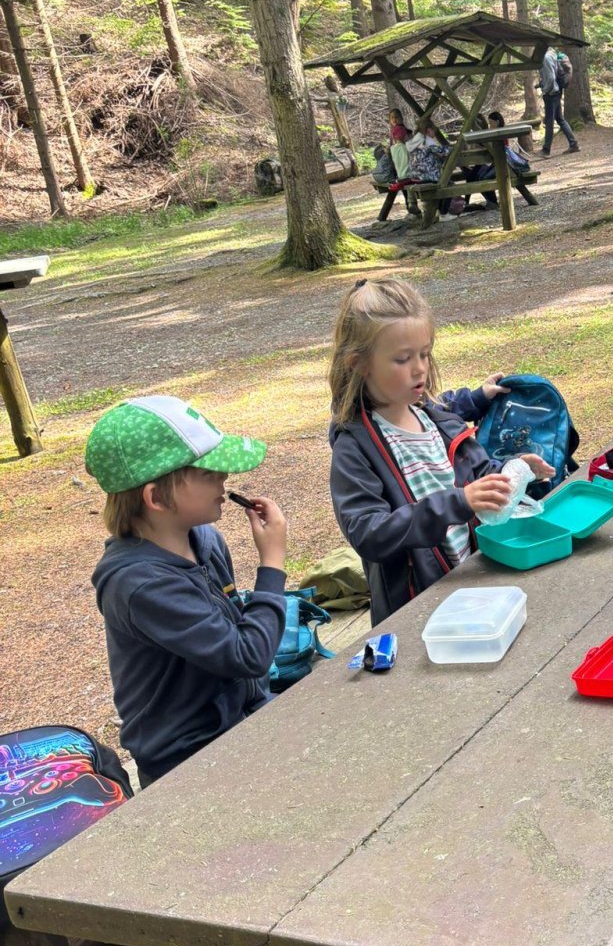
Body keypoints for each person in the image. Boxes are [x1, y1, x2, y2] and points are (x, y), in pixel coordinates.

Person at [86, 397, 288, 789]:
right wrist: (273, 562)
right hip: (187, 762)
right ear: (156, 498)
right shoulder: (140, 584)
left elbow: (235, 637)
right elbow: (247, 656)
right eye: (209, 472)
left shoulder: (205, 540)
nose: (225, 476)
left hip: (243, 718)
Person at [328, 278, 553, 624]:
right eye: (403, 359)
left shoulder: (438, 420)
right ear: (359, 363)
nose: (419, 367)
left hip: (473, 585)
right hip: (418, 610)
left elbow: (477, 474)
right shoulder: (354, 449)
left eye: (424, 353)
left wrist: (511, 470)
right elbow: (370, 534)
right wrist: (459, 502)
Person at [540, 42, 579, 156]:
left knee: (549, 122)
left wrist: (545, 90)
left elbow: (551, 77)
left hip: (551, 94)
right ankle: (573, 144)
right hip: (556, 92)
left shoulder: (546, 57)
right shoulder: (552, 54)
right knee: (560, 119)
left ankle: (546, 150)